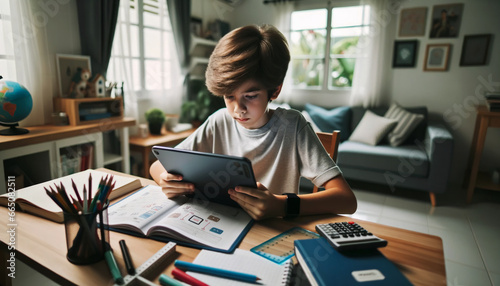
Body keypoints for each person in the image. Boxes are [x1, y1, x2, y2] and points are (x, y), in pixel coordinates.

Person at [150, 24, 357, 220]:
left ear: (275, 90)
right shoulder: (219, 121)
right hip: (221, 223)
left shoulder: (293, 127)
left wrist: (282, 205)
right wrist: (165, 180)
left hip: (271, 232)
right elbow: (157, 165)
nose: (237, 109)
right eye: (229, 96)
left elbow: (346, 200)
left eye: (250, 96)